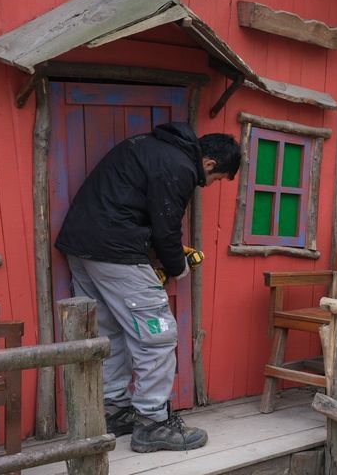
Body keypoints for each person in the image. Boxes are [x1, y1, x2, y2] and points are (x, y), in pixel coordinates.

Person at [55, 122, 241, 453]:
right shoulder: (180, 166)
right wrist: (179, 268)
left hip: (81, 247)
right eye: (213, 180)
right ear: (209, 163)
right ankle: (153, 423)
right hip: (115, 251)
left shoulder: (147, 146)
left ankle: (116, 410)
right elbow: (166, 230)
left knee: (110, 330)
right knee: (158, 335)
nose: (208, 185)